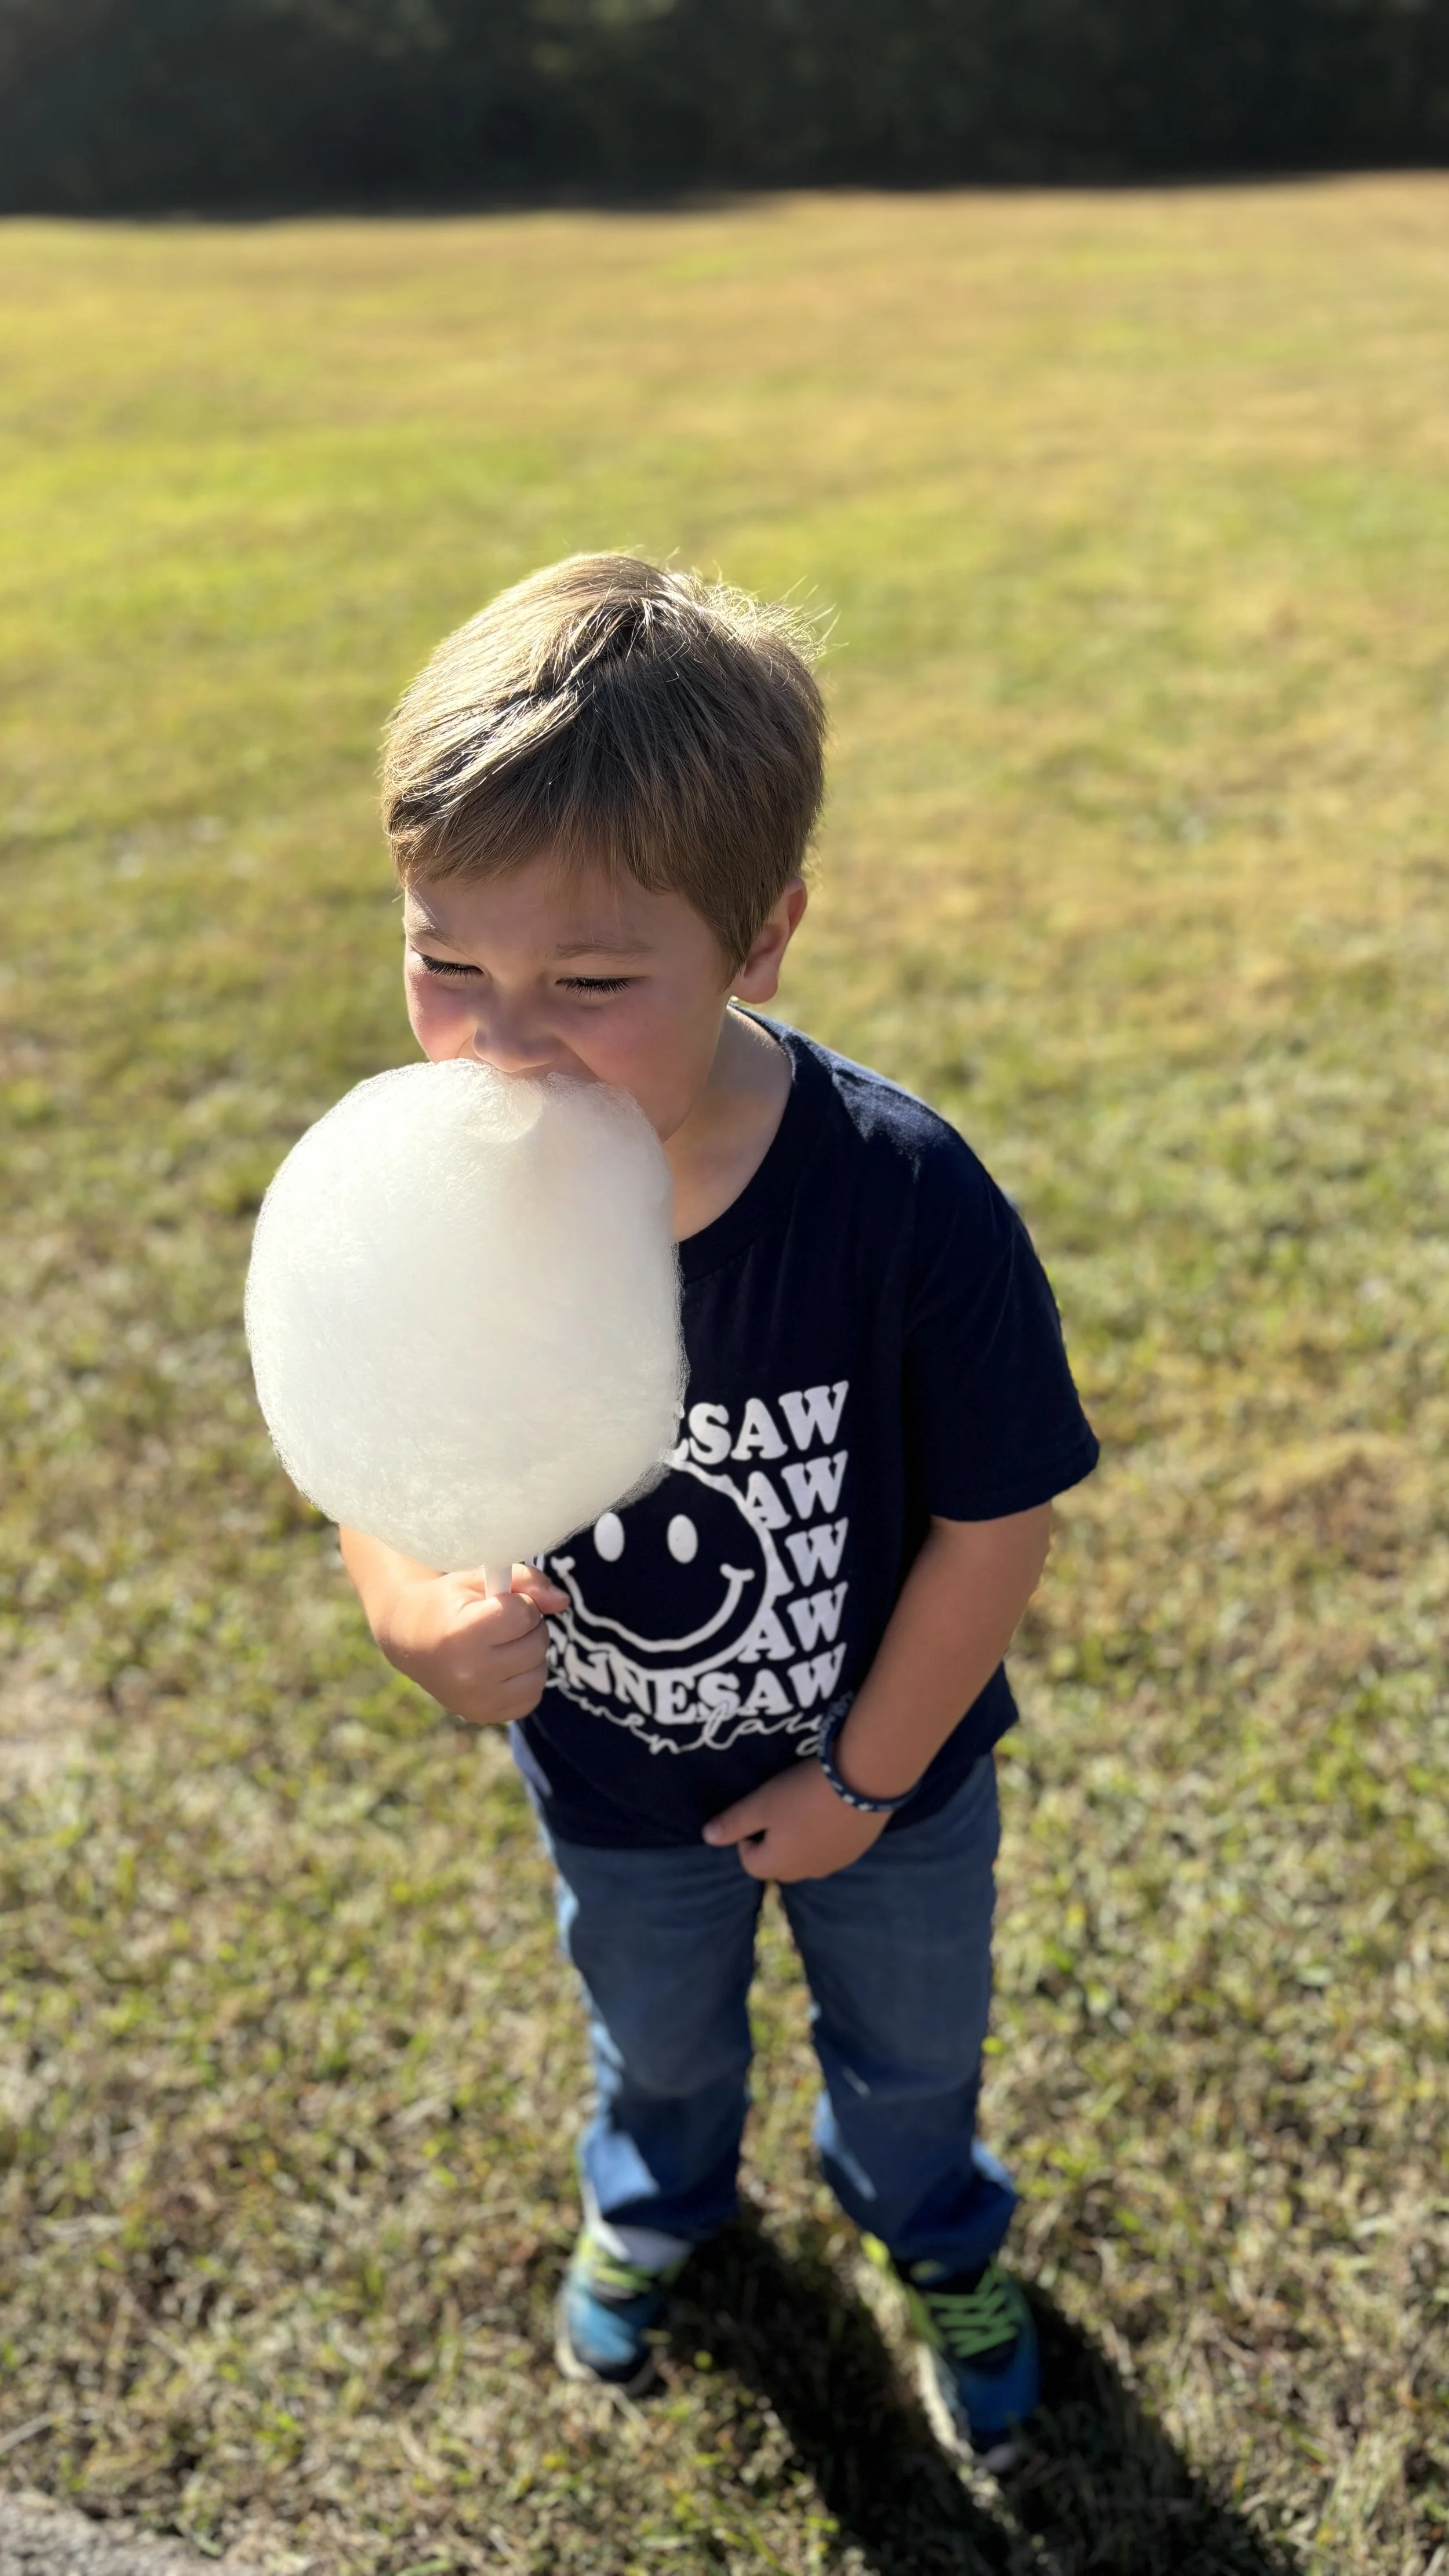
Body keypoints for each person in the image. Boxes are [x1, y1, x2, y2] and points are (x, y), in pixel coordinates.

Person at [338, 554, 1098, 2464]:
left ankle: (934, 2234)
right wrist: (412, 1613)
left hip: (892, 1782)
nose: (502, 1041)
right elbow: (384, 1448)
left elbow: (993, 1517)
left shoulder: (901, 1196)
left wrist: (858, 1779)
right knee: (658, 2039)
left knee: (910, 2053)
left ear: (759, 939)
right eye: (447, 961)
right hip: (613, 1777)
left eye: (592, 985)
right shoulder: (445, 1194)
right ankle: (660, 2199)